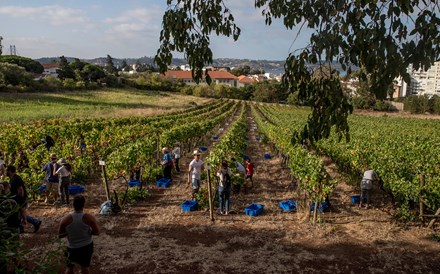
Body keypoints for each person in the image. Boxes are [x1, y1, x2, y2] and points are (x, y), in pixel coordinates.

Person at [58, 195, 99, 274]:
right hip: (86, 247)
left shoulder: (65, 219)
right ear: (83, 205)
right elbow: (97, 232)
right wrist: (89, 232)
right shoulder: (89, 218)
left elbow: (60, 235)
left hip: (72, 247)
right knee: (85, 268)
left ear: (73, 205)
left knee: (69, 268)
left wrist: (69, 232)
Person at [6, 165, 42, 233]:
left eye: (6, 171)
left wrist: (20, 200)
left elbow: (20, 189)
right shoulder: (12, 178)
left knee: (19, 214)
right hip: (17, 199)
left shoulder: (16, 178)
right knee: (19, 214)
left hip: (19, 199)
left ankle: (32, 223)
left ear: (10, 171)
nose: (5, 172)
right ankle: (34, 223)